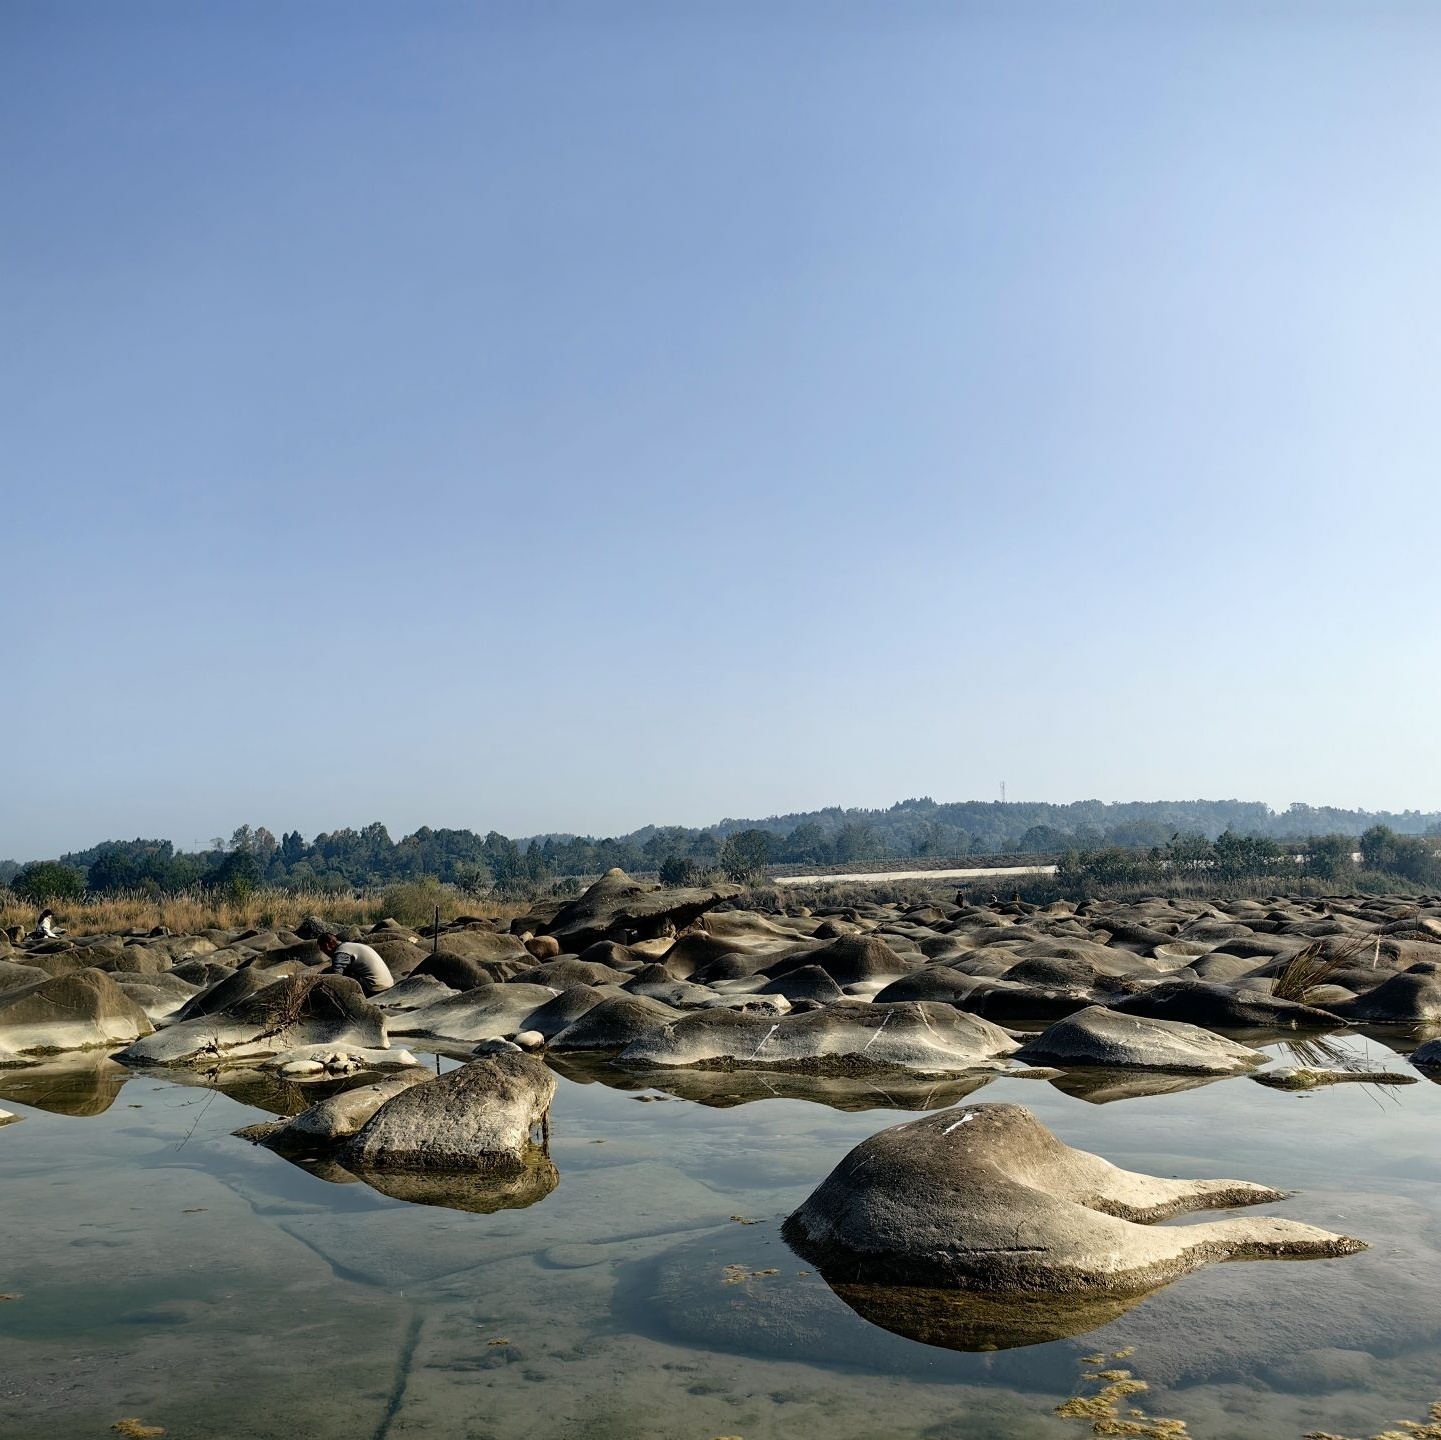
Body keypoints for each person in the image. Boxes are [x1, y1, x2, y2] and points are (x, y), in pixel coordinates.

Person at [315, 931, 394, 996]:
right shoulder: (349, 946)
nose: (324, 952)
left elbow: (336, 976)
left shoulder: (341, 953)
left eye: (322, 949)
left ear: (327, 945)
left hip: (375, 987)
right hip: (389, 983)